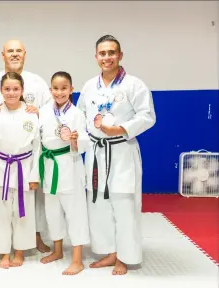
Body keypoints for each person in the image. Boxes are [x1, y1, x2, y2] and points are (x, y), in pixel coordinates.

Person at [76, 35, 156, 275]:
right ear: (96, 57)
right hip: (96, 151)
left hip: (121, 150)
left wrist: (119, 129)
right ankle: (109, 252)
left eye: (112, 53)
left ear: (120, 55)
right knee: (98, 204)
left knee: (124, 205)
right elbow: (80, 116)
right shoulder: (90, 86)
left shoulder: (134, 85)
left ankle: (125, 256)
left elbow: (147, 116)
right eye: (102, 53)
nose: (107, 57)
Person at [0, 39, 51, 254]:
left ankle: (34, 236)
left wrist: (37, 113)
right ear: (3, 55)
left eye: (18, 51)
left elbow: (50, 109)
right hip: (0, 156)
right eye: (10, 51)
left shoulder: (37, 82)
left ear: (25, 54)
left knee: (31, 200)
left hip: (26, 155)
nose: (14, 54)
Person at [0, 71, 40, 269]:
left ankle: (20, 251)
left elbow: (38, 147)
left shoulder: (31, 114)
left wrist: (35, 175)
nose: (11, 93)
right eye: (7, 89)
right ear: (1, 90)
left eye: (16, 89)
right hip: (0, 167)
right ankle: (4, 252)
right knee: (1, 212)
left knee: (23, 212)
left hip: (24, 166)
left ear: (22, 90)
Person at [38, 71, 90, 275]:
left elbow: (85, 140)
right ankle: (57, 250)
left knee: (75, 212)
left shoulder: (77, 113)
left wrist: (76, 139)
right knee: (52, 211)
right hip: (49, 164)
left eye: (64, 88)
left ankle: (77, 258)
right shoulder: (43, 111)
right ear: (50, 90)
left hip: (69, 163)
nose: (60, 92)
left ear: (71, 89)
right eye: (56, 88)